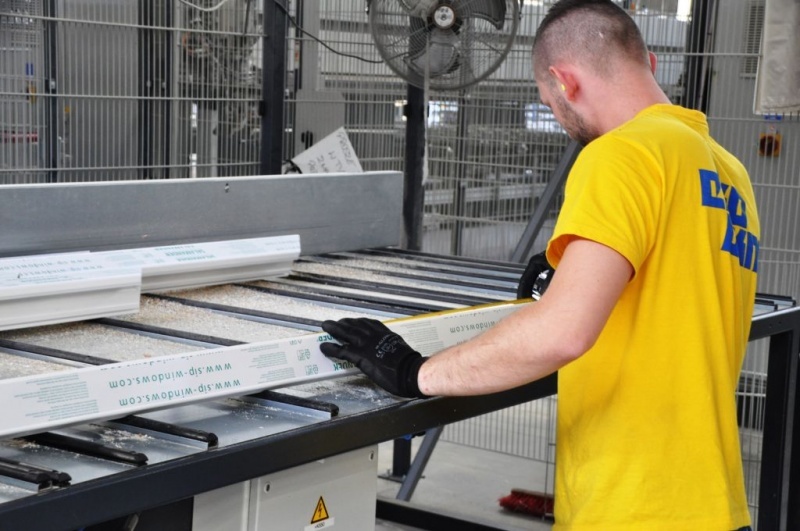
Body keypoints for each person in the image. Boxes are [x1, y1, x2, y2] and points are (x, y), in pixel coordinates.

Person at [320, 0, 760, 529]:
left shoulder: (620, 155)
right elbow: (670, 292)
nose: (558, 118)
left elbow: (564, 333)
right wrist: (573, 275)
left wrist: (417, 372)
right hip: (713, 502)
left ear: (564, 81)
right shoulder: (726, 168)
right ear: (650, 63)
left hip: (636, 506)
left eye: (549, 105)